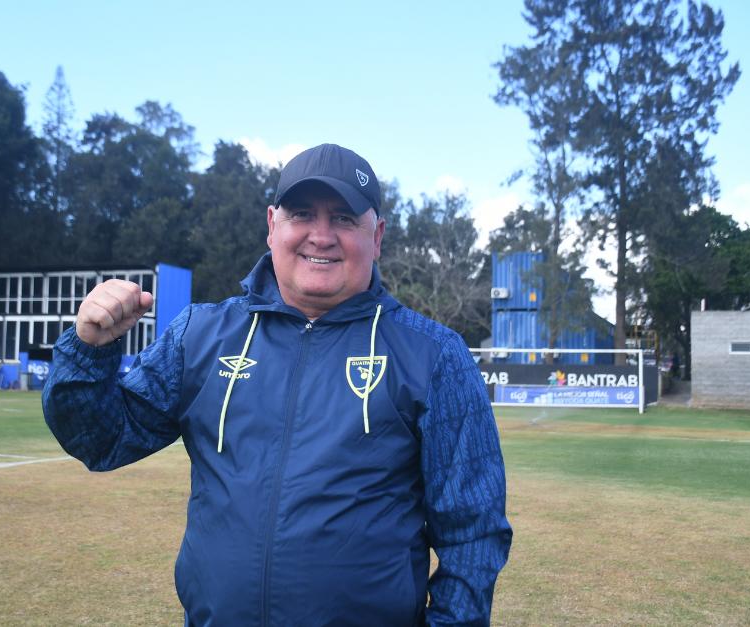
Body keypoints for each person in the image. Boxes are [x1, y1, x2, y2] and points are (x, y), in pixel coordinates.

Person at [43, 143, 513, 626]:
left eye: (344, 218)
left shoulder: (434, 355)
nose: (321, 236)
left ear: (377, 237)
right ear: (272, 225)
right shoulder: (200, 335)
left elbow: (473, 533)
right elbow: (101, 441)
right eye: (302, 214)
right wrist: (89, 349)